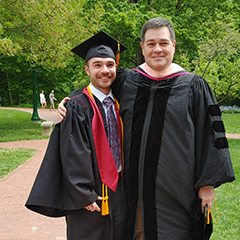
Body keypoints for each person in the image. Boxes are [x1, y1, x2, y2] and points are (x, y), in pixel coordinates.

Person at [58, 18, 235, 240]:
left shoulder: (193, 86)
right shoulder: (128, 80)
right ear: (142, 48)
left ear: (174, 45)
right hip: (135, 191)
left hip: (178, 192)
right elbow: (98, 87)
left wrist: (207, 185)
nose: (157, 49)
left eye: (163, 43)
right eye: (151, 44)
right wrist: (72, 100)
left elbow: (210, 135)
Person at [26, 31, 128, 240]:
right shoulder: (76, 106)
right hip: (90, 194)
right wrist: (83, 193)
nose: (104, 70)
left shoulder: (123, 102)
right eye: (97, 65)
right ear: (87, 69)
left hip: (121, 187)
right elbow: (72, 154)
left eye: (110, 64)